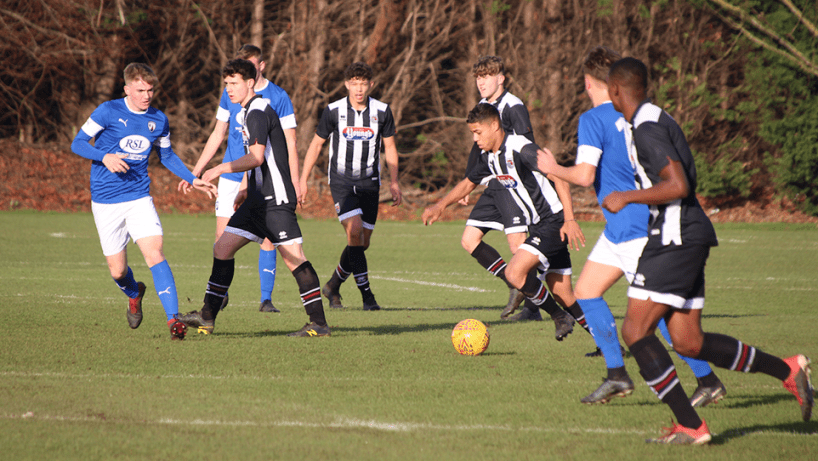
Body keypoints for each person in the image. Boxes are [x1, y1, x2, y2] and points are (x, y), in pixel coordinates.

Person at [601, 57, 812, 444]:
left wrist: (625, 197)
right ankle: (786, 369)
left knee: (635, 329)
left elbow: (677, 184)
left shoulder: (646, 128)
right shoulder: (652, 118)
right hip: (688, 233)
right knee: (688, 342)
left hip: (674, 237)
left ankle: (690, 425)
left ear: (616, 91)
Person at [537, 47, 728, 407]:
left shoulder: (594, 119)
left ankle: (707, 378)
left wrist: (551, 166)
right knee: (588, 290)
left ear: (588, 82)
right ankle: (617, 375)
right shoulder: (637, 114)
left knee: (659, 321)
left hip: (633, 229)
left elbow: (584, 175)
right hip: (622, 228)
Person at [178, 59, 329, 337]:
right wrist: (247, 187)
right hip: (258, 199)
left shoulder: (258, 111)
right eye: (226, 84)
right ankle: (207, 317)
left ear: (250, 82)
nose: (229, 89)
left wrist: (219, 168)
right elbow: (260, 160)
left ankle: (318, 324)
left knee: (294, 258)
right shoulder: (246, 112)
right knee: (222, 248)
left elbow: (257, 156)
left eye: (234, 83)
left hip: (275, 200)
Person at [71, 62, 216, 340]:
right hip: (106, 200)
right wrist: (105, 156)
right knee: (117, 271)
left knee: (155, 252)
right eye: (140, 90)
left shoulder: (158, 119)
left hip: (139, 197)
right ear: (127, 89)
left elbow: (167, 156)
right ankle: (134, 293)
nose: (146, 96)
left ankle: (173, 321)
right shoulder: (108, 111)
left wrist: (193, 177)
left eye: (150, 90)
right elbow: (77, 143)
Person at [422, 103, 584, 341]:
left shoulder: (522, 149)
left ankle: (559, 317)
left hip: (554, 221)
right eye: (472, 134)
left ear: (495, 125)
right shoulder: (489, 157)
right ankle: (609, 346)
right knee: (562, 292)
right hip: (539, 225)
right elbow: (468, 183)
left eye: (478, 132)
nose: (475, 139)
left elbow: (560, 176)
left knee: (514, 272)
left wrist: (570, 219)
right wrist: (440, 205)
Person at [179, 44, 298, 314]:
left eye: (249, 64)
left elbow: (288, 143)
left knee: (269, 239)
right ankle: (218, 299)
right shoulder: (230, 93)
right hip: (232, 173)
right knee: (223, 239)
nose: (232, 84)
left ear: (258, 69)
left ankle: (266, 298)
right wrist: (195, 172)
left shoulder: (276, 97)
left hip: (259, 177)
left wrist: (296, 180)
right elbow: (218, 133)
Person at [300, 62, 401, 311]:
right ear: (346, 84)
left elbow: (390, 148)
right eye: (354, 83)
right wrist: (303, 180)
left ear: (371, 85)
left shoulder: (382, 111)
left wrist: (395, 181)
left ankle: (333, 285)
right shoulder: (333, 111)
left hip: (370, 184)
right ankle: (367, 296)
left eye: (363, 83)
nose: (359, 88)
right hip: (342, 182)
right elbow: (316, 145)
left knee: (361, 243)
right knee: (354, 230)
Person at [458, 56, 533, 318]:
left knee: (519, 248)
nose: (481, 82)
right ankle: (515, 285)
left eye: (487, 76)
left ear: (501, 78)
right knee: (469, 240)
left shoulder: (513, 106)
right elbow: (476, 150)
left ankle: (533, 305)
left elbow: (527, 148)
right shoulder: (482, 106)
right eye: (478, 77)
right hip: (491, 184)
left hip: (510, 185)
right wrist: (469, 183)